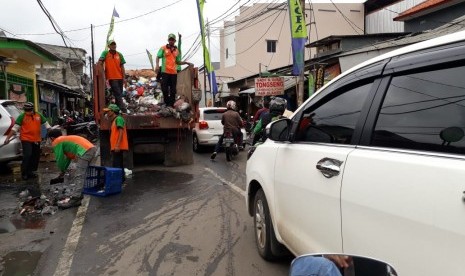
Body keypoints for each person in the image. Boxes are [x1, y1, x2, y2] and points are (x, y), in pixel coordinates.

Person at [48, 129, 96, 209]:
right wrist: (63, 171)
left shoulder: (57, 141)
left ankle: (76, 198)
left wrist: (62, 169)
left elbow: (60, 158)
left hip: (85, 151)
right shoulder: (65, 140)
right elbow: (68, 158)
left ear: (52, 138)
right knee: (84, 173)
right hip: (91, 148)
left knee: (79, 175)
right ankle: (80, 195)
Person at [4, 102, 51, 180]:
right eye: (26, 110)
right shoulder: (22, 116)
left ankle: (31, 172)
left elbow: (47, 125)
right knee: (27, 155)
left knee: (35, 156)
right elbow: (15, 128)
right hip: (26, 139)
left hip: (36, 139)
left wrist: (51, 131)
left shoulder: (38, 115)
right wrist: (7, 138)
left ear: (32, 109)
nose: (27, 112)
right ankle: (24, 173)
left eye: (29, 110)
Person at [155, 33, 193, 107]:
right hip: (165, 71)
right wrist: (157, 65)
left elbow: (177, 62)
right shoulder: (163, 48)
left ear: (175, 41)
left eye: (172, 40)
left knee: (173, 91)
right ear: (168, 40)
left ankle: (171, 105)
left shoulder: (176, 51)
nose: (171, 41)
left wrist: (186, 62)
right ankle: (167, 102)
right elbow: (157, 57)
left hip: (173, 73)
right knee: (164, 89)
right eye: (170, 39)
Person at [98, 40, 127, 111]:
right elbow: (100, 61)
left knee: (119, 94)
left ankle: (118, 110)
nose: (113, 46)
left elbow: (122, 67)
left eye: (114, 44)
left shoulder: (119, 54)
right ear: (109, 46)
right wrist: (100, 65)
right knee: (117, 93)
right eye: (111, 44)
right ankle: (123, 109)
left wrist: (124, 78)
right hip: (111, 78)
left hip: (120, 77)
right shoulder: (105, 53)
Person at [103, 104, 128, 179]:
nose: (107, 113)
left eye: (108, 111)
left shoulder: (118, 119)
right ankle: (121, 180)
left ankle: (118, 181)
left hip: (118, 147)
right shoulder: (115, 120)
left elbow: (121, 132)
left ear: (113, 112)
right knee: (118, 164)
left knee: (117, 164)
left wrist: (117, 145)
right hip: (116, 147)